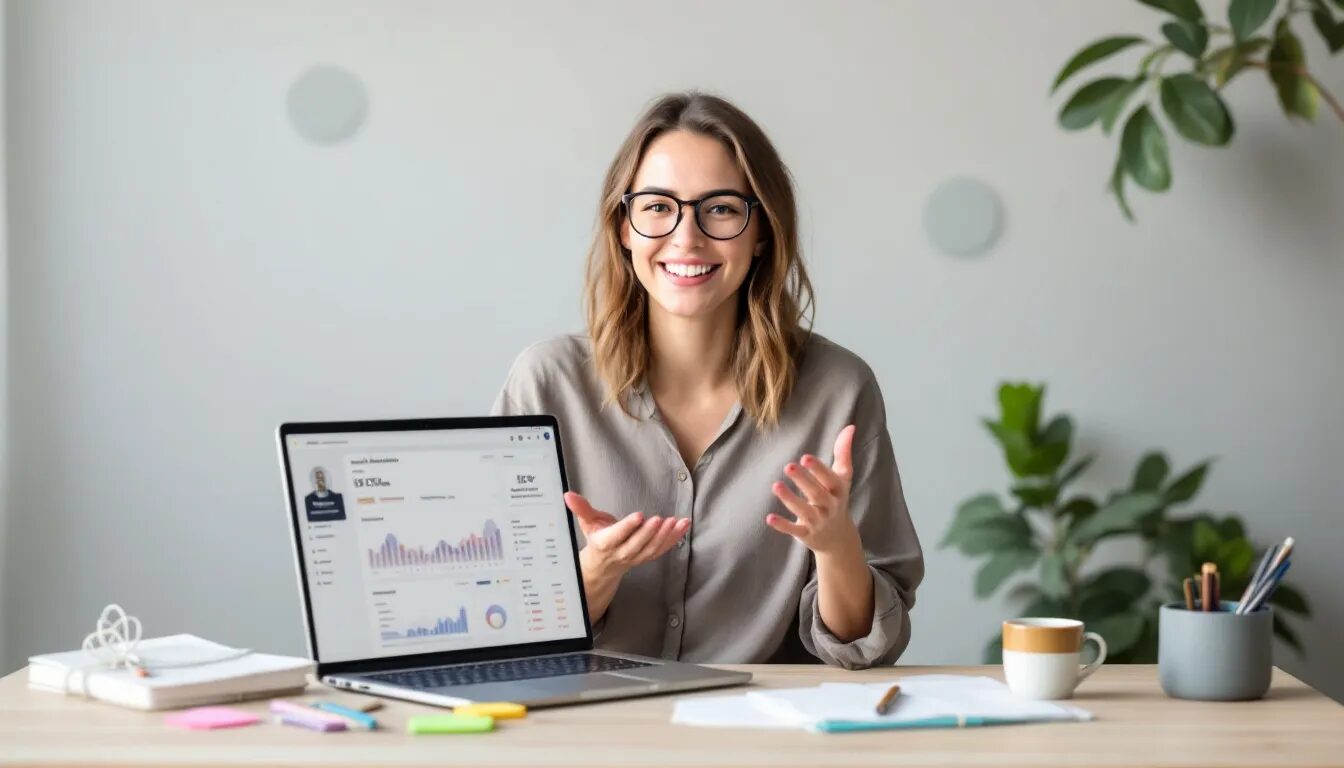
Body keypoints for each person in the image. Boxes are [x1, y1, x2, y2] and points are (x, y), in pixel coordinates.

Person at [492, 92, 922, 669]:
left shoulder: (838, 389)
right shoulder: (546, 383)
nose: (686, 238)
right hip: (592, 729)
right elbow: (499, 620)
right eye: (658, 207)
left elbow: (865, 652)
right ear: (624, 227)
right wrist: (595, 573)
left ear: (761, 230)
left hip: (762, 737)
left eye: (719, 208)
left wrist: (836, 546)